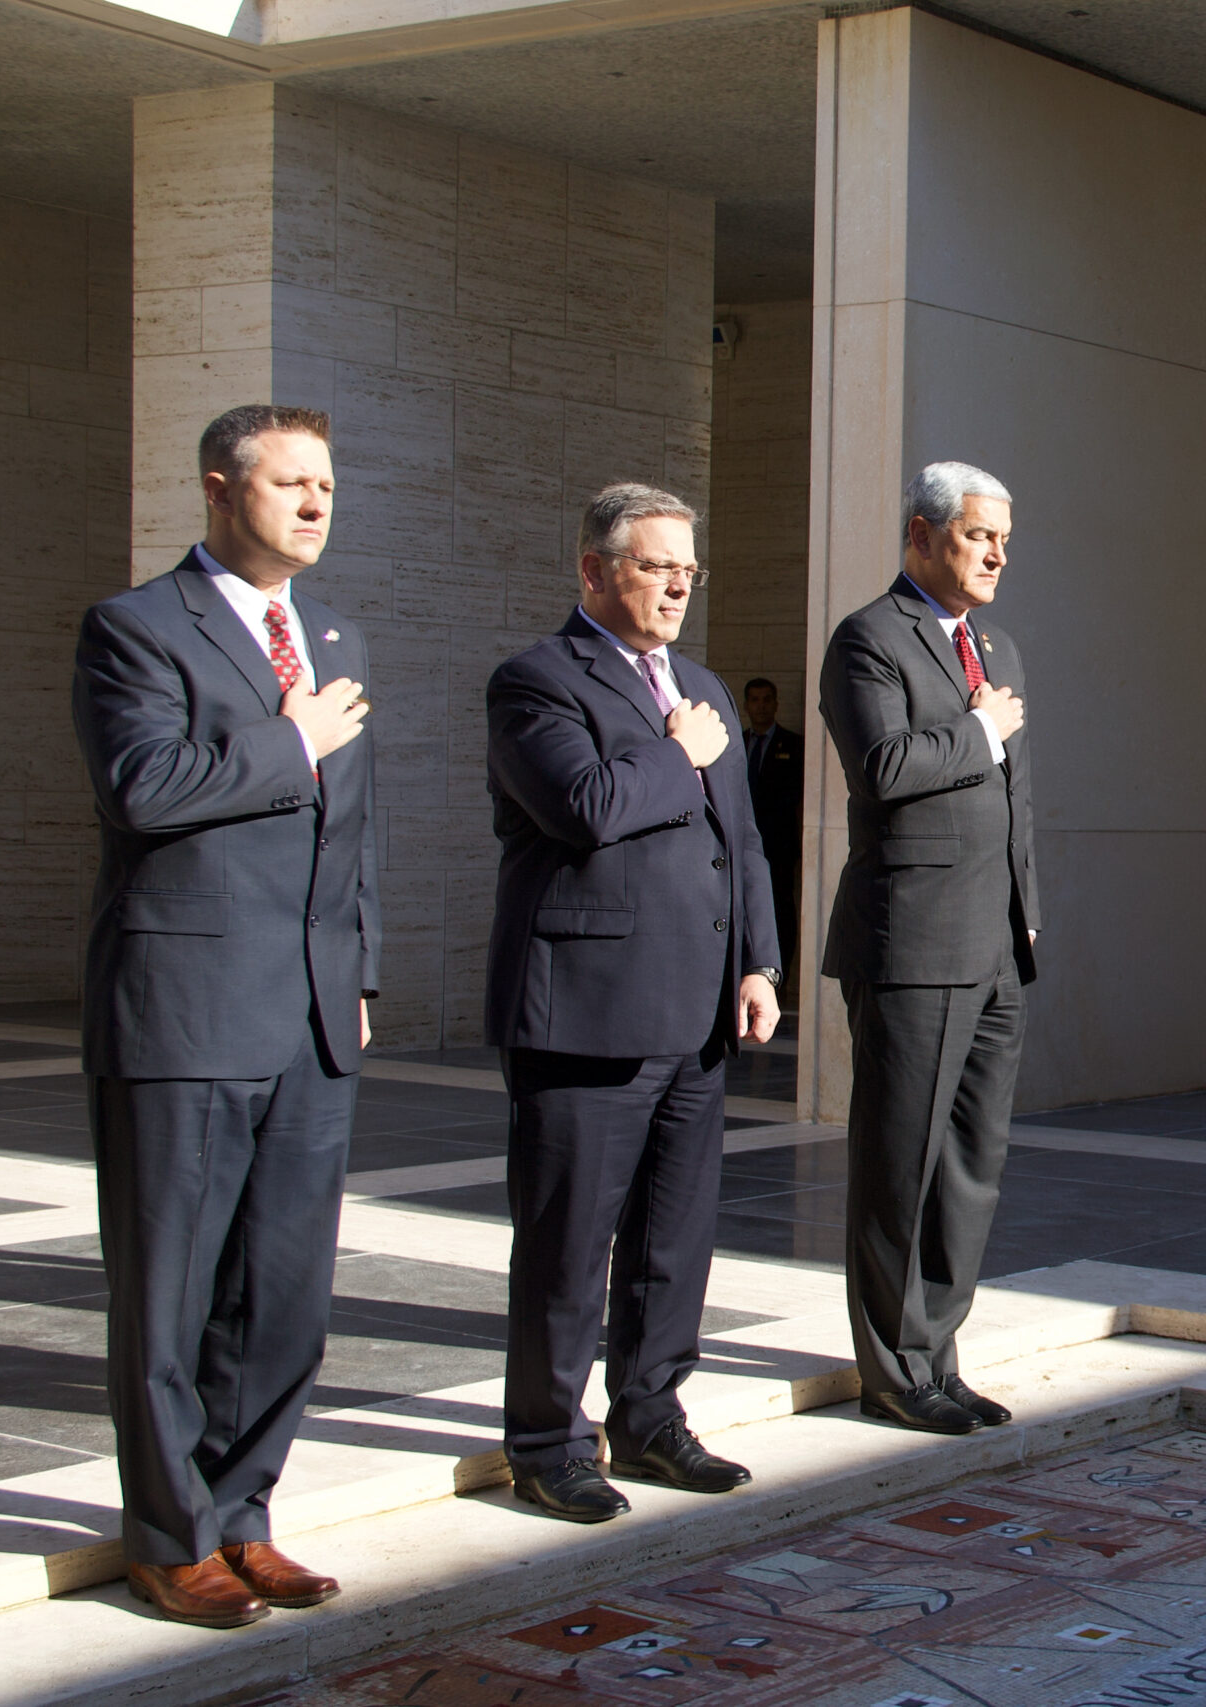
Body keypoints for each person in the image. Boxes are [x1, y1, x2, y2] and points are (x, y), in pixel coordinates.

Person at [69, 405, 377, 1628]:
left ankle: (243, 1515)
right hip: (185, 1010)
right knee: (171, 1289)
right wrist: (284, 739)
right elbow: (142, 788)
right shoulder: (136, 628)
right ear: (218, 489)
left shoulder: (335, 630)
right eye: (290, 482)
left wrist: (359, 971)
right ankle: (167, 1534)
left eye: (326, 485)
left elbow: (358, 826)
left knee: (283, 1291)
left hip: (309, 1015)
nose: (315, 503)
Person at [483, 484, 782, 1523]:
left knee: (673, 1238)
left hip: (698, 1009)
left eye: (687, 569)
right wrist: (681, 753)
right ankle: (547, 1444)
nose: (677, 584)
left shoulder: (694, 683)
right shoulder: (534, 681)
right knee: (568, 1243)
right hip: (585, 1011)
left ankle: (651, 1418)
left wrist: (758, 963)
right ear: (593, 570)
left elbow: (738, 841)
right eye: (656, 565)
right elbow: (585, 807)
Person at [820, 461, 1037, 1435]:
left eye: (1003, 540)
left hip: (994, 947)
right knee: (899, 1163)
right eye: (977, 535)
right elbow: (884, 768)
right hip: (909, 945)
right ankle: (891, 1369)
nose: (996, 553)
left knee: (970, 1167)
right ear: (921, 535)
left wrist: (1026, 914)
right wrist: (980, 730)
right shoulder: (868, 639)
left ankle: (938, 1356)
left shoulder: (997, 646)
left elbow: (1014, 799)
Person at [743, 676, 805, 985]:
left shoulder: (794, 746)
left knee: (780, 917)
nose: (761, 706)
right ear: (746, 705)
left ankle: (776, 985)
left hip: (777, 850)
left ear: (776, 704)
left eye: (767, 699)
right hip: (739, 847)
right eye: (755, 700)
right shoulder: (735, 743)